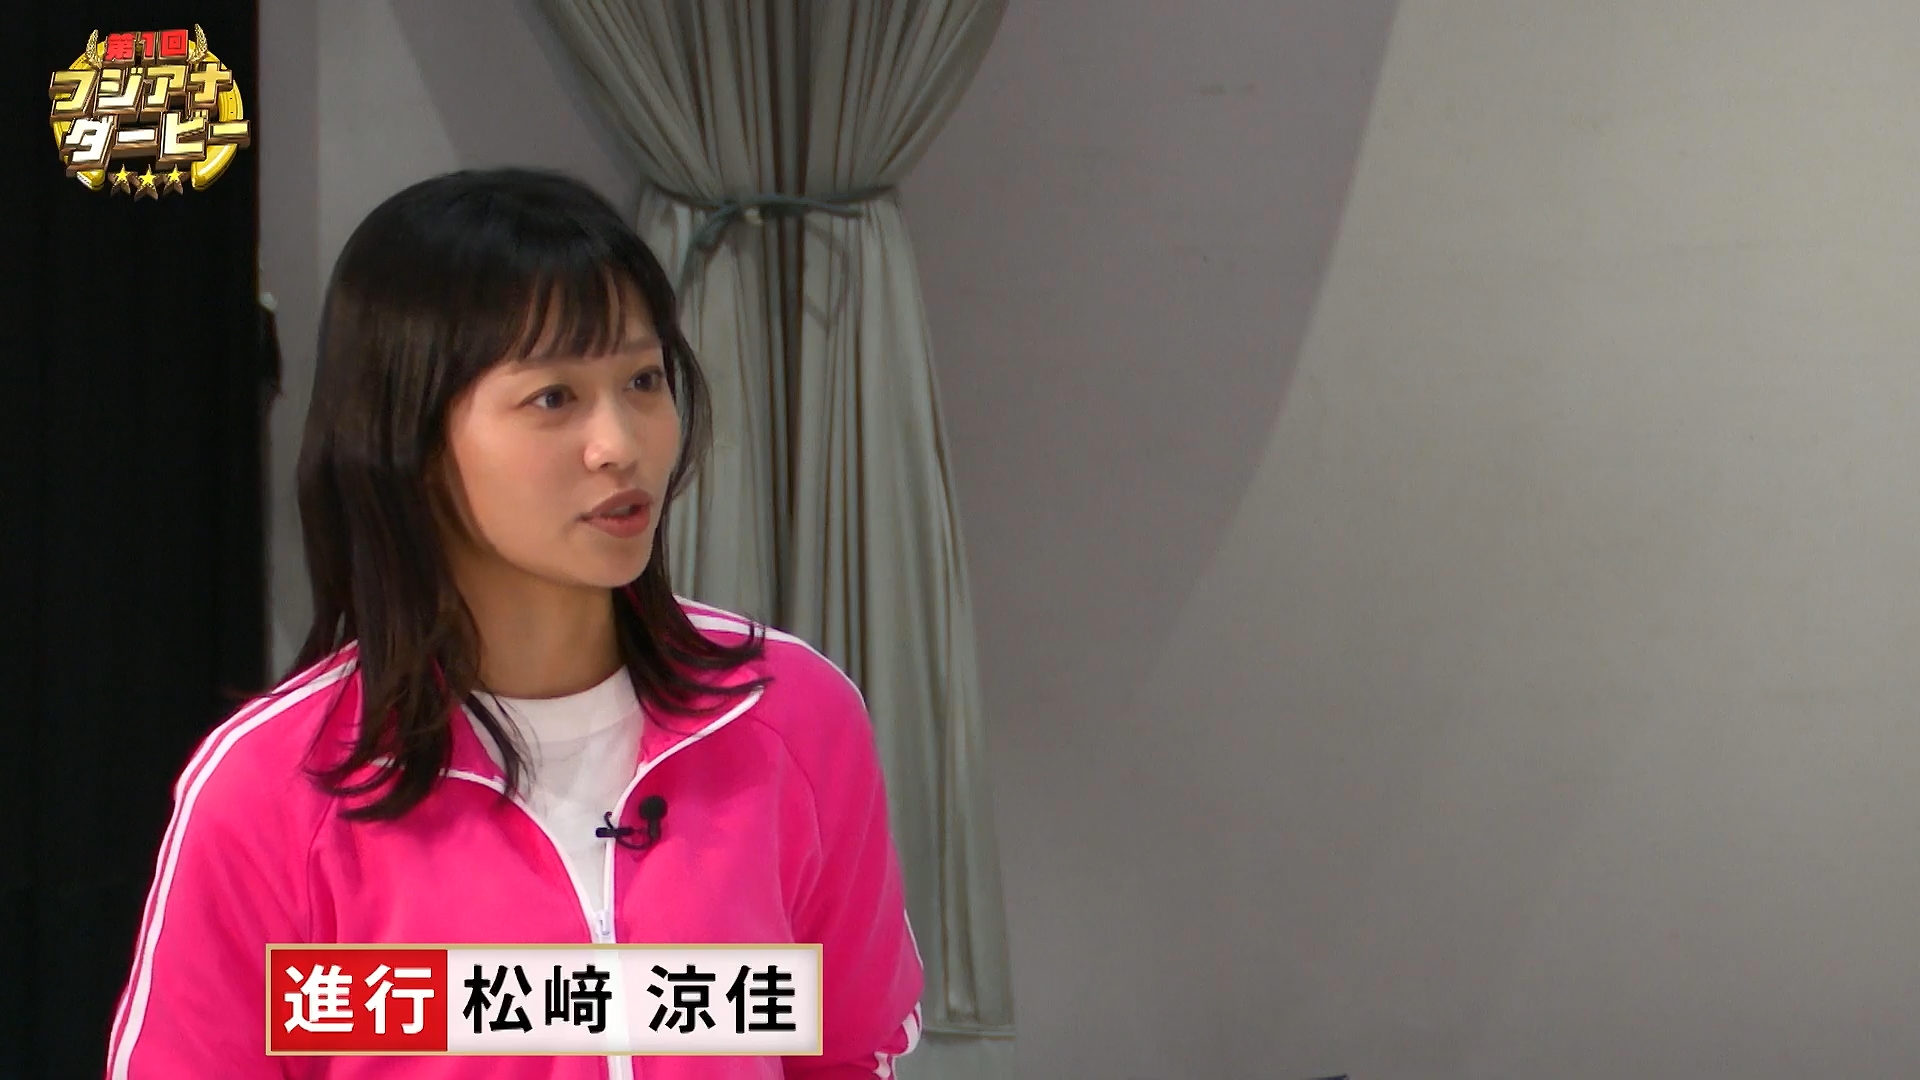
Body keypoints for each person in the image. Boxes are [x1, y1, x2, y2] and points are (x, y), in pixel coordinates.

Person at [104, 169, 923, 1079]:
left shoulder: (788, 715)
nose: (620, 445)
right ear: (409, 436)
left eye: (643, 379)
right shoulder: (277, 788)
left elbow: (844, 1053)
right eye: (553, 397)